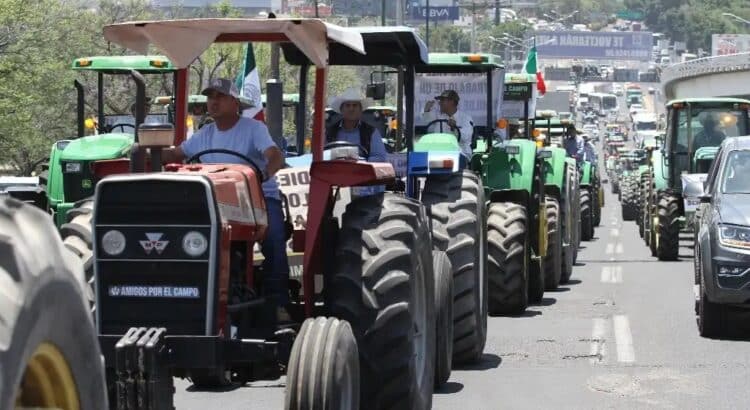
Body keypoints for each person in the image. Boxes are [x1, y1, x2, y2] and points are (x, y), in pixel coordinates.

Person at [159, 78, 289, 322]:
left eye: (220, 97)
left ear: (234, 102)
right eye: (210, 97)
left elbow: (274, 155)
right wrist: (149, 150)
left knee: (273, 239)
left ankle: (279, 302)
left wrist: (262, 175)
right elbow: (177, 153)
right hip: (215, 202)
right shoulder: (205, 133)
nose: (214, 102)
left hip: (257, 197)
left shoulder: (254, 129)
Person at [325, 88, 387, 162]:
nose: (351, 109)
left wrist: (359, 160)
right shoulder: (329, 131)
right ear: (341, 110)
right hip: (333, 172)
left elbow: (380, 157)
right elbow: (320, 155)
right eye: (348, 105)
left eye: (355, 105)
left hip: (361, 172)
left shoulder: (371, 132)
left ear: (361, 110)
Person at [421, 89, 474, 159]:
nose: (440, 103)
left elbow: (466, 138)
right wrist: (426, 111)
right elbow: (428, 128)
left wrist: (454, 128)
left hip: (461, 153)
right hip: (440, 153)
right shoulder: (438, 116)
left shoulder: (465, 118)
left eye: (442, 100)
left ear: (451, 102)